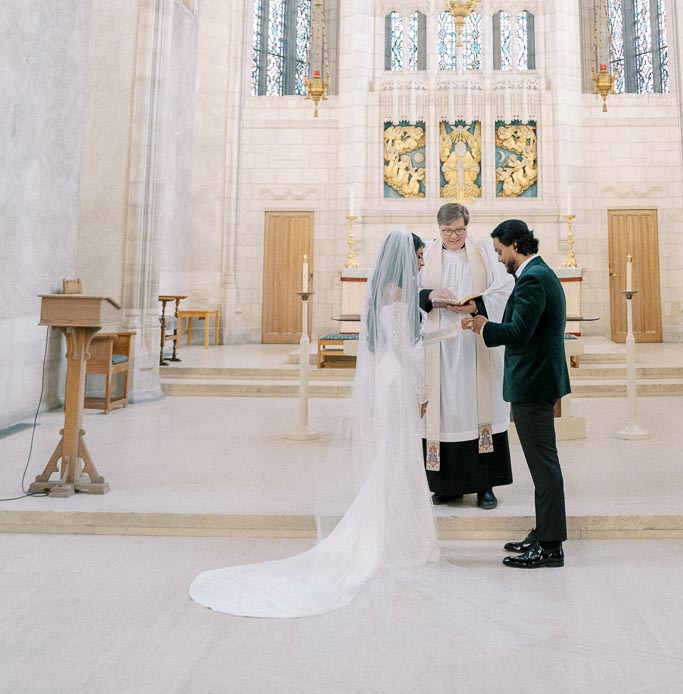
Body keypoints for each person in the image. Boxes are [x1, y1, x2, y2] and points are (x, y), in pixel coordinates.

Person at [189, 229, 438, 617]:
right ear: (406, 260)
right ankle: (392, 541)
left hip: (387, 378)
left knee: (393, 459)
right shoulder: (399, 298)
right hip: (400, 382)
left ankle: (391, 535)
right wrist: (424, 392)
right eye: (419, 257)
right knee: (399, 458)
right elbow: (406, 351)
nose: (422, 263)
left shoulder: (382, 296)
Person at [463, 219, 570, 569]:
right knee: (542, 464)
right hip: (536, 379)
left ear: (514, 245)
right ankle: (544, 532)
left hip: (533, 382)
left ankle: (550, 546)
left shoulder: (533, 279)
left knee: (543, 466)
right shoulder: (537, 274)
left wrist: (483, 327)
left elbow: (520, 331)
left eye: (498, 251)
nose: (498, 259)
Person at [419, 202, 514, 508]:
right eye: (448, 231)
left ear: (467, 227)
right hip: (439, 348)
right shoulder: (427, 254)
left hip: (476, 344)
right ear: (439, 229)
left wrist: (477, 306)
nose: (454, 236)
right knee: (444, 411)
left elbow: (505, 288)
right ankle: (446, 486)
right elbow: (409, 290)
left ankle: (485, 485)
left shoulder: (484, 251)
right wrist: (430, 297)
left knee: (478, 409)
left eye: (460, 230)